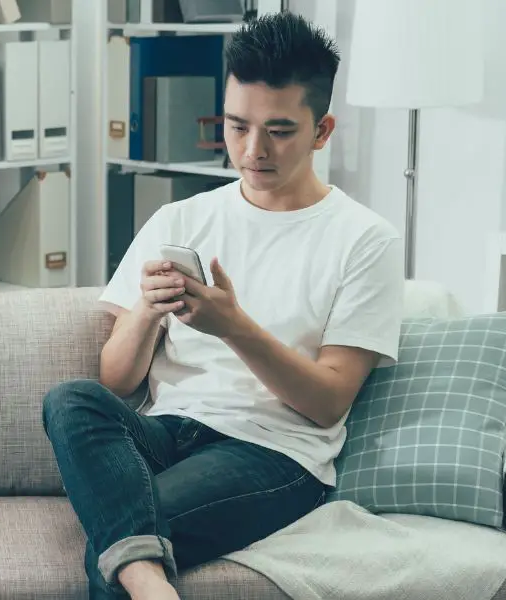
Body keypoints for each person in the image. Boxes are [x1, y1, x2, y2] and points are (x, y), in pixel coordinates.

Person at [42, 11, 404, 600]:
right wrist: (147, 312)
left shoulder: (364, 239)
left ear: (322, 130)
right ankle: (144, 572)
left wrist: (234, 327)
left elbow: (327, 403)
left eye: (280, 131)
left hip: (273, 453)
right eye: (237, 126)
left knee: (123, 532)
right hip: (165, 433)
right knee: (71, 400)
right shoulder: (181, 218)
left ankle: (137, 570)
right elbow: (114, 381)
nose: (252, 149)